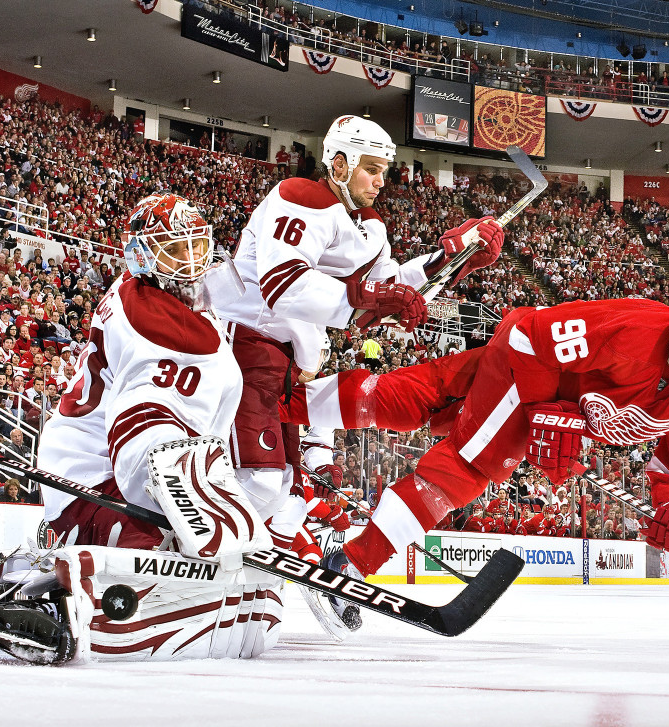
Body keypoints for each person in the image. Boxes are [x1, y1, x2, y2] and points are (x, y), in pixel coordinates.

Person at [0, 193, 280, 664]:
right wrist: (196, 506)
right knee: (168, 548)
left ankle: (51, 551)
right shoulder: (159, 324)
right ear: (142, 254)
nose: (191, 261)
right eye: (174, 249)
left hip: (83, 463)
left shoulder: (153, 293)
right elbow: (144, 438)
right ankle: (57, 596)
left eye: (195, 246)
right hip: (96, 476)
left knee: (185, 549)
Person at [211, 115, 503, 634]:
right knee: (257, 481)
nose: (380, 180)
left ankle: (300, 578)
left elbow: (391, 284)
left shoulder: (367, 226)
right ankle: (208, 579)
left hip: (284, 360)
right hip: (246, 340)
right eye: (370, 168)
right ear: (338, 163)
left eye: (384, 170)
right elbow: (283, 284)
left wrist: (450, 256)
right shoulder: (300, 196)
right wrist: (370, 301)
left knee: (283, 490)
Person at [287, 288, 669, 587]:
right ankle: (349, 565)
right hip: (525, 361)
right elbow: (530, 336)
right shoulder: (631, 329)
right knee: (470, 469)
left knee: (425, 396)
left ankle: (278, 404)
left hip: (541, 384)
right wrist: (539, 414)